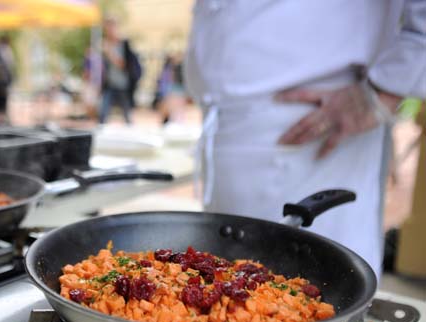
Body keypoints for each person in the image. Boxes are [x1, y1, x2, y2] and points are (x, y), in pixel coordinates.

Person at [184, 0, 426, 278]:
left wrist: (387, 88)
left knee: (318, 286)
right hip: (230, 131)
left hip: (317, 131)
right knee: (223, 284)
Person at [98, 18, 142, 124]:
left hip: (123, 84)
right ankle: (101, 131)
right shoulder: (106, 44)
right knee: (103, 112)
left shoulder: (124, 44)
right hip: (110, 84)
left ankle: (131, 131)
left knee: (126, 113)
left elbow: (125, 65)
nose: (109, 31)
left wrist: (110, 54)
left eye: (111, 28)